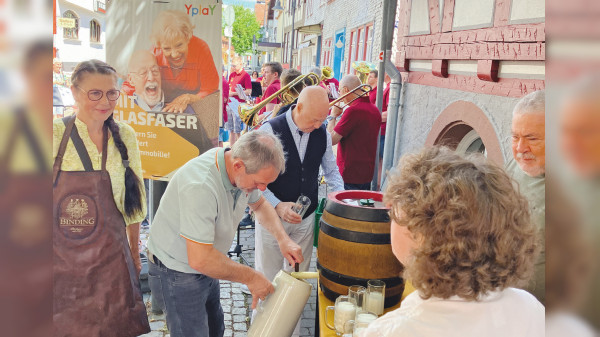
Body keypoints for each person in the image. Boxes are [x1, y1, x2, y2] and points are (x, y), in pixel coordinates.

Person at [363, 146, 544, 337]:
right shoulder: (531, 309)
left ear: (424, 235)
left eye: (396, 212)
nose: (390, 210)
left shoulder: (393, 331)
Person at [146, 131, 304, 337]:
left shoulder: (238, 167)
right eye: (258, 183)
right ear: (238, 166)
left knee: (215, 330)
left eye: (266, 183)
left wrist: (283, 240)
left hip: (208, 262)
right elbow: (200, 258)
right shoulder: (200, 185)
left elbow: (260, 204)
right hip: (177, 272)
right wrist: (251, 277)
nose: (262, 189)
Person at [52, 60, 150, 336]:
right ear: (74, 92)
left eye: (111, 93)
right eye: (95, 93)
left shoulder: (126, 136)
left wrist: (134, 251)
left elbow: (134, 203)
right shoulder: (54, 133)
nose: (105, 101)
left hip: (111, 259)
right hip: (61, 261)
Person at [253, 86, 344, 336]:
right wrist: (277, 205)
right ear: (298, 107)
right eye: (314, 119)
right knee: (267, 280)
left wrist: (340, 199)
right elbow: (253, 183)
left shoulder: (321, 132)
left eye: (322, 120)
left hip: (304, 222)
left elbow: (332, 172)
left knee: (296, 280)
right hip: (271, 220)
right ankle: (261, 331)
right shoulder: (269, 131)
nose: (318, 125)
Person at [505, 90, 545, 303]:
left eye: (532, 138)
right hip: (507, 305)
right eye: (515, 137)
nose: (520, 148)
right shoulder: (514, 166)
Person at [150, 10, 219, 113]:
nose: (174, 54)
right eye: (167, 48)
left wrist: (189, 98)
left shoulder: (201, 48)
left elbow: (211, 89)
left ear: (187, 37)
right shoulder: (155, 52)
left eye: (179, 45)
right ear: (160, 46)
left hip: (194, 106)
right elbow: (136, 82)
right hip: (163, 106)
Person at [327, 74, 381, 190]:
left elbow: (331, 140)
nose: (340, 95)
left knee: (345, 207)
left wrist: (332, 116)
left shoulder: (353, 111)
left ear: (346, 90)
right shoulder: (375, 109)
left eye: (340, 91)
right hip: (366, 173)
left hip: (349, 173)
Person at [128, 50, 194, 114]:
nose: (151, 78)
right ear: (131, 80)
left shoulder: (180, 106)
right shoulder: (122, 108)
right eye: (143, 73)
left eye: (155, 70)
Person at [226, 57, 252, 146]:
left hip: (238, 104)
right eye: (232, 65)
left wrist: (233, 93)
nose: (233, 67)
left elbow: (249, 91)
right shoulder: (232, 75)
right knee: (231, 128)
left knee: (237, 129)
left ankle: (239, 148)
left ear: (240, 64)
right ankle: (231, 148)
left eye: (235, 65)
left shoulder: (245, 75)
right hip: (230, 103)